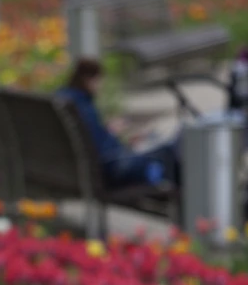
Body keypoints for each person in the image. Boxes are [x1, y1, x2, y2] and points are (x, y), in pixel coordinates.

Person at [57, 58, 180, 191]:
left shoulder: (62, 100)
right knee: (166, 151)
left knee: (153, 147)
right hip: (110, 170)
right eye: (99, 82)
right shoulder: (82, 105)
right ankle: (177, 199)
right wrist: (116, 137)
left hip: (80, 171)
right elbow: (103, 150)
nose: (101, 87)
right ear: (89, 79)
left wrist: (108, 130)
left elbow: (89, 137)